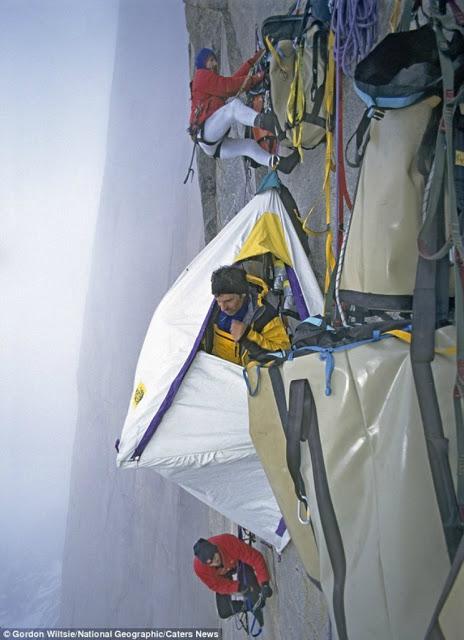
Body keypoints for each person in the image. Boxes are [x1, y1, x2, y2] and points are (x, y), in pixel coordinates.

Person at [190, 48, 300, 174]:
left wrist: (252, 62)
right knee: (233, 107)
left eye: (215, 60)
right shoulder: (201, 77)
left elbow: (233, 81)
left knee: (249, 146)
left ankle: (282, 164)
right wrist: (257, 77)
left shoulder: (208, 83)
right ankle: (270, 123)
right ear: (203, 63)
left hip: (211, 145)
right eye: (211, 60)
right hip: (206, 133)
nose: (215, 64)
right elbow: (229, 87)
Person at [203, 265, 291, 365]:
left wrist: (248, 335)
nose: (223, 308)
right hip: (213, 371)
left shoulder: (266, 316)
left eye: (228, 301)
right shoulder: (210, 309)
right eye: (219, 301)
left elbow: (284, 354)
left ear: (243, 295)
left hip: (248, 376)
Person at [193, 534, 273, 620]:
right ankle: (247, 606)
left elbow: (255, 558)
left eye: (214, 556)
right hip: (223, 576)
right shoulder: (199, 568)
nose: (215, 562)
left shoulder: (228, 542)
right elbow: (216, 585)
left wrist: (264, 583)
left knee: (258, 597)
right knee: (224, 612)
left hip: (238, 563)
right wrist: (237, 587)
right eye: (210, 563)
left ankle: (253, 600)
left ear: (215, 548)